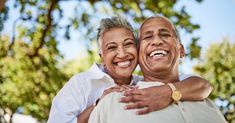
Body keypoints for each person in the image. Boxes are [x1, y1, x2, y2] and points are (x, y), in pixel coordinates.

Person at [47, 16, 212, 123]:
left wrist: (167, 92)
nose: (122, 53)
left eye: (128, 44)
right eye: (112, 48)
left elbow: (202, 85)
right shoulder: (82, 83)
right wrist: (99, 104)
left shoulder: (146, 83)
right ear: (101, 55)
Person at [88, 15, 226, 123]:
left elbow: (204, 85)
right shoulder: (112, 103)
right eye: (147, 37)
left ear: (182, 50)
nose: (156, 41)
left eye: (165, 34)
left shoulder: (208, 104)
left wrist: (170, 92)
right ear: (138, 52)